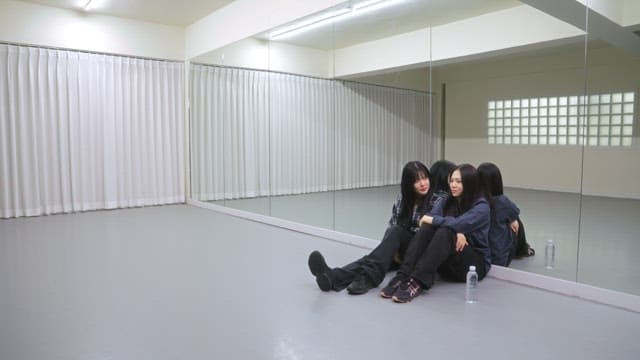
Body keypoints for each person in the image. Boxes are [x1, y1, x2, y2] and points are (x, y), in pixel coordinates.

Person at [307, 161, 434, 295]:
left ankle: (367, 279)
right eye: (417, 180)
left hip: (419, 255)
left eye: (425, 178)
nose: (423, 183)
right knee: (373, 259)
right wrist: (392, 248)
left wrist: (396, 247)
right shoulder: (402, 199)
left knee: (387, 244)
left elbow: (427, 235)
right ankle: (333, 277)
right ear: (408, 184)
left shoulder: (435, 199)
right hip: (401, 252)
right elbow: (393, 225)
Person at [381, 164, 491, 303]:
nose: (453, 185)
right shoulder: (447, 200)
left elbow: (458, 224)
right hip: (448, 260)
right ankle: (403, 275)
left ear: (470, 183)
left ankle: (417, 282)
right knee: (429, 227)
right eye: (451, 181)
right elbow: (430, 219)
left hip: (473, 265)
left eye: (458, 181)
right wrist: (452, 228)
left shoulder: (481, 207)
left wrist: (451, 227)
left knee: (446, 230)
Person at [477, 162, 534, 265]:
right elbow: (515, 212)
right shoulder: (502, 201)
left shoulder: (474, 200)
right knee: (516, 222)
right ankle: (523, 249)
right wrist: (513, 220)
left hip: (478, 256)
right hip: (498, 259)